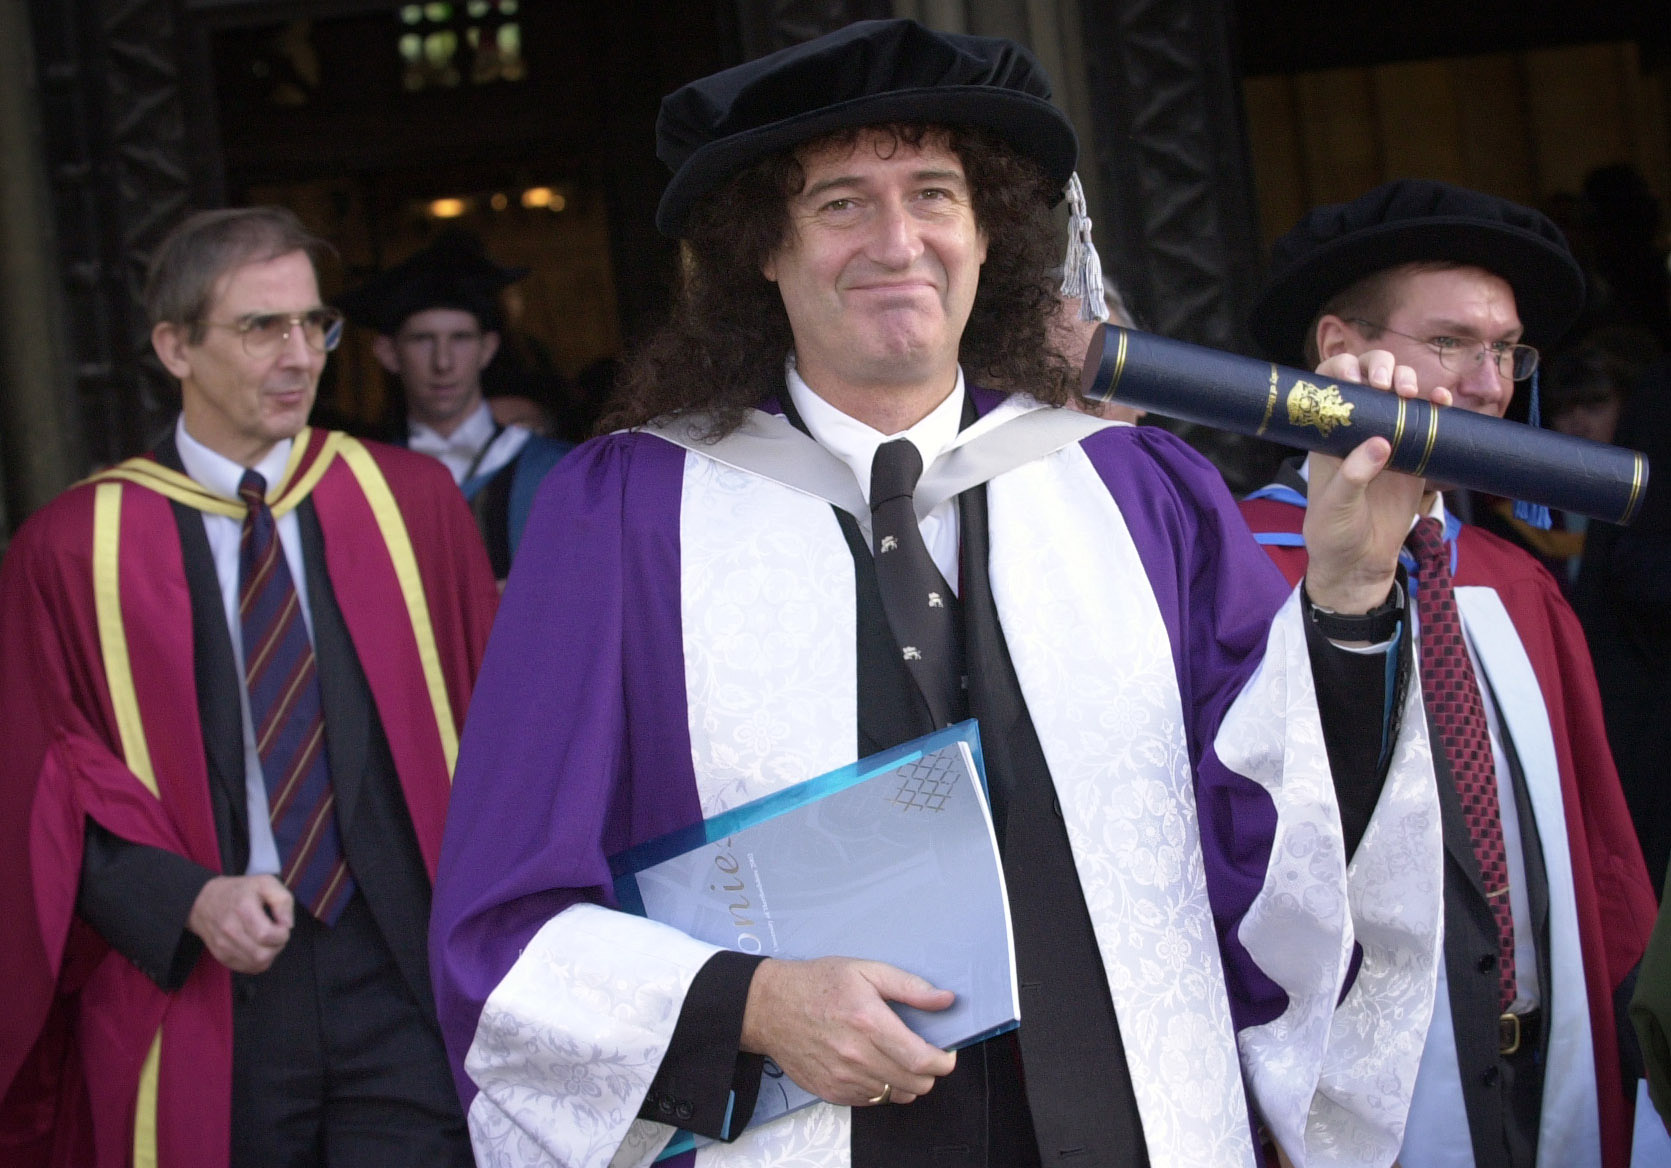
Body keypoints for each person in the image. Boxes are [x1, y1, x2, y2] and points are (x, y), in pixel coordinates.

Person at [431, 20, 1446, 1168]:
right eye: (840, 204)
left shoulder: (1137, 492)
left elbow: (1282, 841)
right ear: (764, 247)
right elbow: (505, 923)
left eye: (933, 194)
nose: (897, 239)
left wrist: (1353, 591)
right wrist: (748, 1001)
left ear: (986, 234)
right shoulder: (623, 517)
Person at [0, 206, 500, 1167]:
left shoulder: (409, 505)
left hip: (398, 970)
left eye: (315, 324)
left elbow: (497, 732)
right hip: (199, 984)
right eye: (260, 326)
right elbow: (43, 786)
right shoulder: (70, 551)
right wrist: (181, 897)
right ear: (174, 346)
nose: (299, 353)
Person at [1240, 178, 1660, 1168]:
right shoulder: (1230, 571)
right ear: (1339, 349)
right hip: (1339, 1097)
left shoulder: (1515, 582)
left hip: (1548, 1072)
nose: (1485, 383)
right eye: (1451, 342)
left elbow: (1602, 861)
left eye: (1505, 349)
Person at [339, 229, 572, 579]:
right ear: (388, 353)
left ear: (488, 348)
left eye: (460, 338)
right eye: (422, 340)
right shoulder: (360, 484)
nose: (443, 363)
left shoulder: (556, 471)